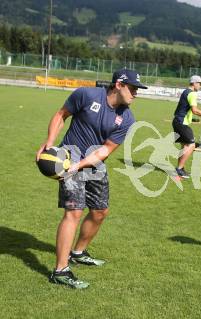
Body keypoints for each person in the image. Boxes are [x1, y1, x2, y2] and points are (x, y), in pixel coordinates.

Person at [36, 69, 146, 289]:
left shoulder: (127, 118)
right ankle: (60, 270)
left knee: (99, 212)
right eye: (133, 88)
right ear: (118, 85)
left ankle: (77, 252)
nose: (136, 93)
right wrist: (49, 143)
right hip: (69, 157)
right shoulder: (86, 95)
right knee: (74, 212)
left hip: (94, 163)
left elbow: (105, 150)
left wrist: (82, 165)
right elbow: (61, 115)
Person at [172, 75, 201, 179]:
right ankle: (179, 169)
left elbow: (192, 109)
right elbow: (194, 111)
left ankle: (181, 169)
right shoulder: (192, 94)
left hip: (178, 122)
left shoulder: (186, 91)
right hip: (181, 123)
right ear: (194, 83)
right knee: (191, 145)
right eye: (200, 83)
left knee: (184, 146)